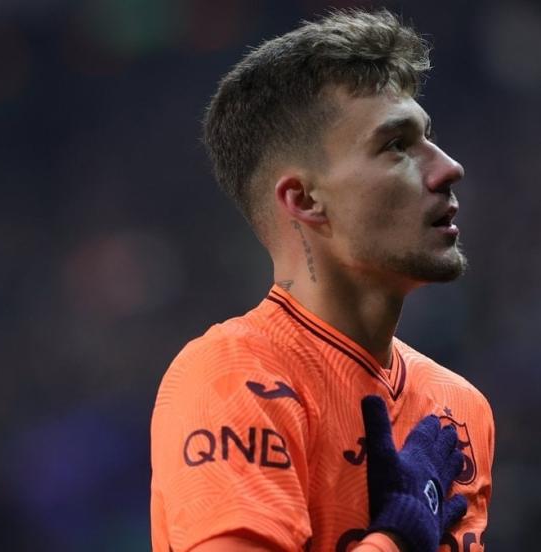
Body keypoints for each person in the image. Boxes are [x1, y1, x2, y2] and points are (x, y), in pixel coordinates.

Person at [150, 8, 494, 552]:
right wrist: (399, 536)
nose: (449, 167)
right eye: (396, 145)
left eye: (429, 137)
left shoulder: (459, 408)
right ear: (304, 200)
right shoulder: (233, 377)